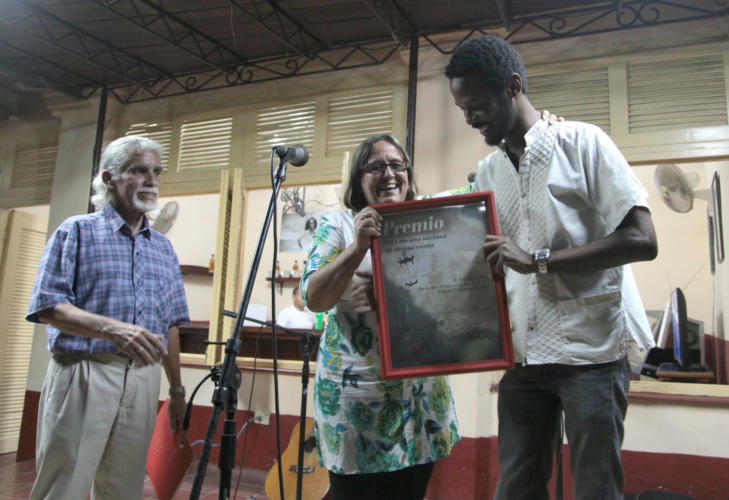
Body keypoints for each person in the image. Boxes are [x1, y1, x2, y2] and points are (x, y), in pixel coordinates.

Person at [445, 35, 658, 500]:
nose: (470, 118)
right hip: (523, 359)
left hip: (591, 355)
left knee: (596, 491)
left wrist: (539, 261)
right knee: (516, 489)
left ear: (513, 85)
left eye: (477, 104)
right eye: (462, 109)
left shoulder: (583, 142)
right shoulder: (487, 173)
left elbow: (643, 239)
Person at [26, 135, 190, 500]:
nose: (151, 180)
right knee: (64, 484)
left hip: (144, 380)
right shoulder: (77, 231)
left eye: (156, 171)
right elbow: (48, 306)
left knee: (124, 488)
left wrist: (176, 390)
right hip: (85, 372)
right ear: (108, 178)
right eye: (138, 170)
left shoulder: (163, 248)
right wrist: (114, 330)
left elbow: (170, 325)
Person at [300, 135, 460, 500]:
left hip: (421, 401)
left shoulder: (429, 219)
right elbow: (313, 297)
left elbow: (485, 186)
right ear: (358, 178)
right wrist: (357, 248)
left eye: (397, 165)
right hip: (358, 403)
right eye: (376, 166)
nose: (389, 173)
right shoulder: (338, 225)